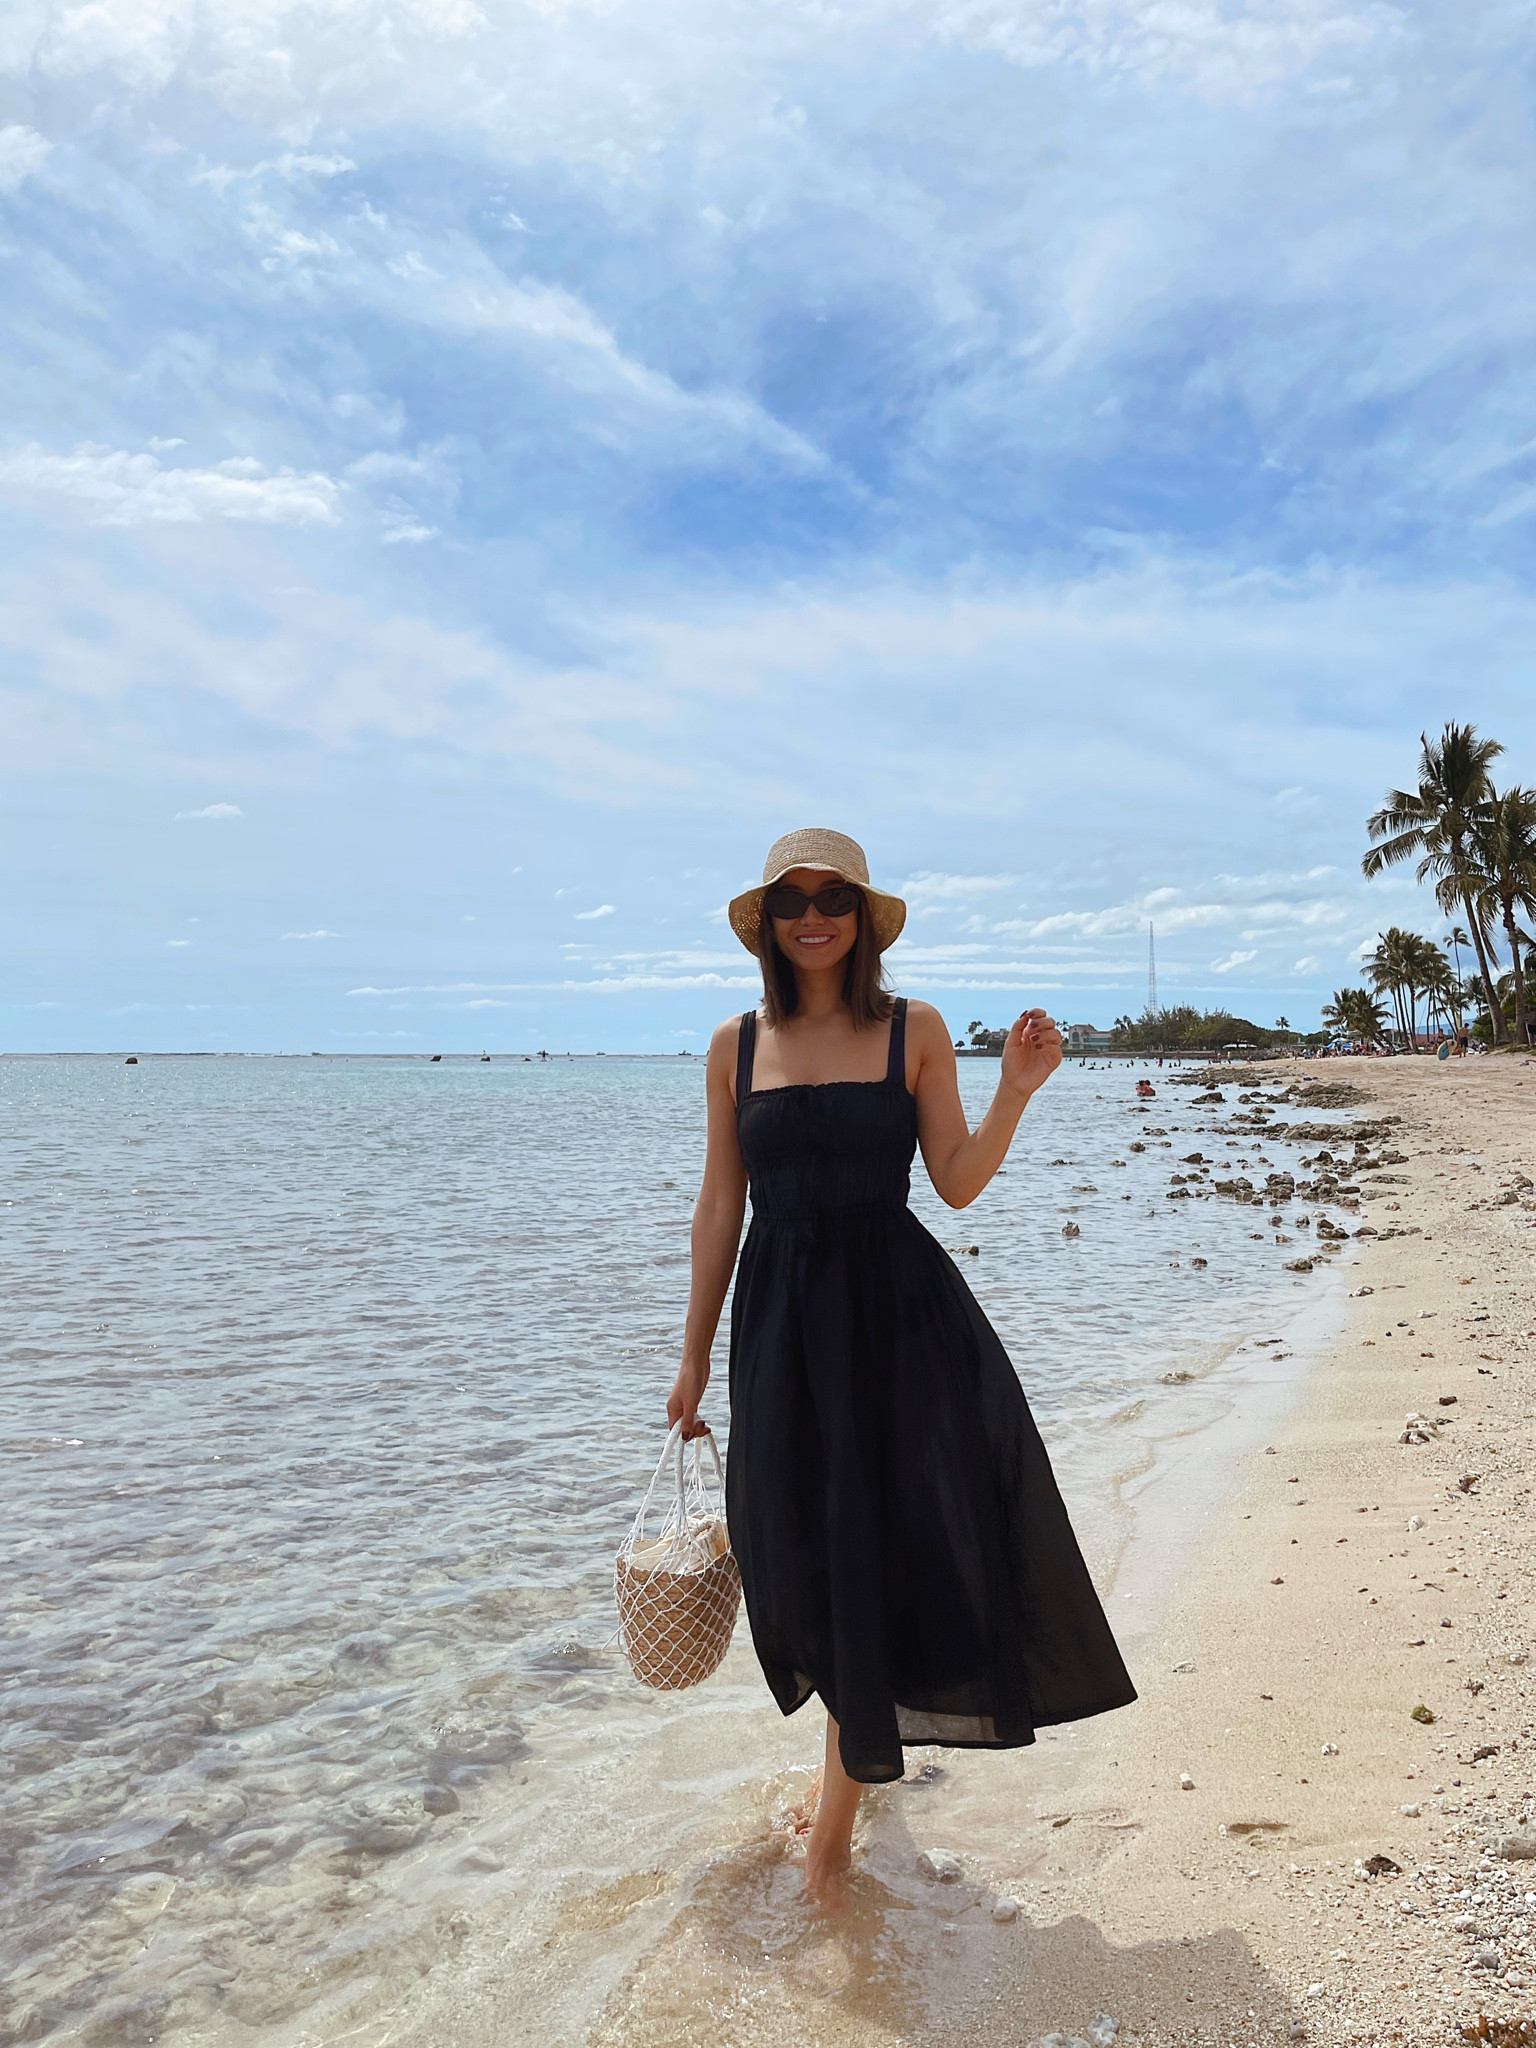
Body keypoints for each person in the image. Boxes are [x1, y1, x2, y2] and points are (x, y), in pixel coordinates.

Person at [667, 828, 1136, 1907]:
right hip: (780, 1329)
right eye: (792, 899)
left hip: (898, 1324)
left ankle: (829, 1839)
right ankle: (852, 1764)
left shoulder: (911, 1029)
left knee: (862, 1546)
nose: (812, 914)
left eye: (833, 896)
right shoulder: (735, 1045)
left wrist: (1016, 1088)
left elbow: (957, 1180)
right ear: (770, 921)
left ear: (863, 916)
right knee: (790, 1552)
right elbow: (719, 1205)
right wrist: (690, 1357)